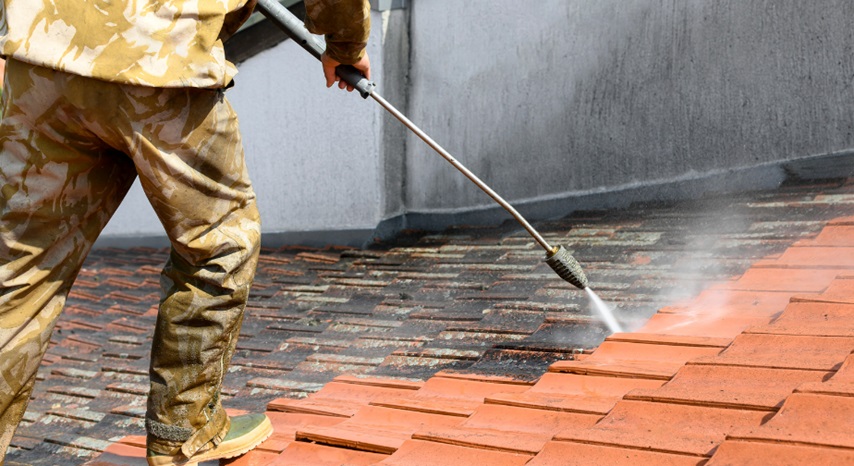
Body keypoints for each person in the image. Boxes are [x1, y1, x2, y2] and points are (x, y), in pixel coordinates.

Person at [0, 0, 371, 464]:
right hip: (160, 55)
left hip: (42, 53)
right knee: (219, 245)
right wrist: (345, 44)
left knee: (19, 267)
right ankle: (183, 428)